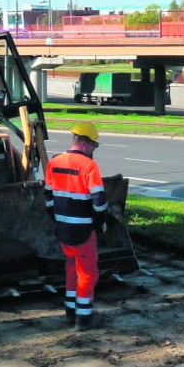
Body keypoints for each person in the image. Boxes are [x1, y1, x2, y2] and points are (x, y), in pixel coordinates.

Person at [44, 122, 107, 331]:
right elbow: (99, 201)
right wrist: (99, 223)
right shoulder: (89, 166)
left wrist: (58, 220)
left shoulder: (54, 162)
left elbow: (48, 199)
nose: (93, 150)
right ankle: (84, 318)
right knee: (88, 273)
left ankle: (70, 311)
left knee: (72, 268)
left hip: (63, 229)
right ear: (83, 142)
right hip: (83, 231)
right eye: (93, 145)